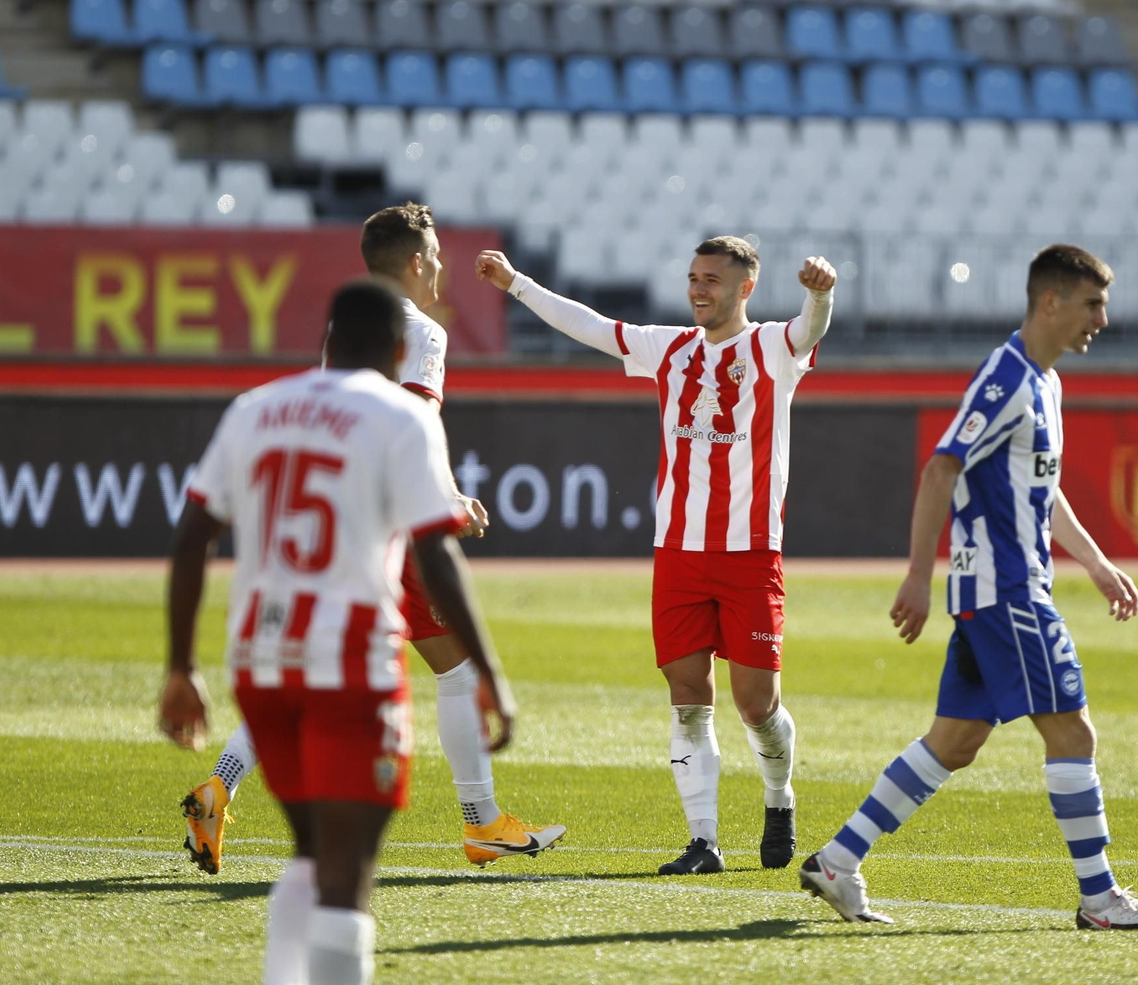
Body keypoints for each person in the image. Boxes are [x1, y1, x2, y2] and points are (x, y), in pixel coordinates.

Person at [798, 244, 1138, 931]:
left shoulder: (1046, 382)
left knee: (953, 742)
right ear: (1051, 302)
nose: (1102, 319)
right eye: (1092, 304)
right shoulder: (1007, 378)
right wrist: (917, 576)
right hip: (1008, 592)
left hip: (996, 594)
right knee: (1072, 732)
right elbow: (940, 470)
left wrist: (1097, 564)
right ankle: (1101, 900)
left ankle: (837, 859)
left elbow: (1041, 488)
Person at [182, 204, 563, 873]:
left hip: (338, 521)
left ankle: (220, 784)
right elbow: (412, 423)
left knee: (306, 670)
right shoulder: (422, 330)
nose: (440, 268)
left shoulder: (343, 328)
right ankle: (481, 822)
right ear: (416, 262)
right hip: (394, 526)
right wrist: (448, 499)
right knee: (457, 670)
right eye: (435, 256)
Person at [158, 279, 519, 985]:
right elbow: (436, 554)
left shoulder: (254, 409)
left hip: (261, 660)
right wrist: (488, 671)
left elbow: (193, 533)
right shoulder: (400, 415)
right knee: (347, 874)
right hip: (352, 662)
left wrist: (180, 665)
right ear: (397, 345)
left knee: (311, 853)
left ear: (328, 337)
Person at [475, 236, 834, 875]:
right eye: (694, 277)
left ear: (746, 288)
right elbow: (591, 326)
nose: (699, 289)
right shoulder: (668, 347)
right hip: (678, 554)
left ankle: (779, 797)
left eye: (713, 280)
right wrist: (516, 285)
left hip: (750, 553)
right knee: (688, 696)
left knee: (757, 705)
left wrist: (820, 293)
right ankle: (703, 841)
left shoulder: (772, 347)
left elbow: (810, 329)